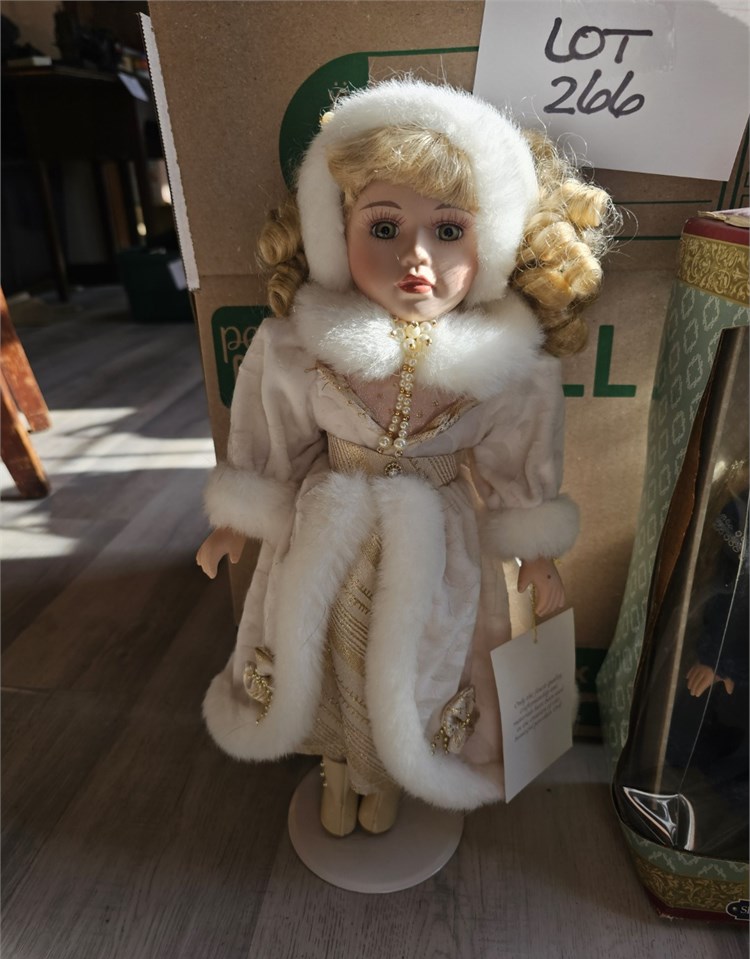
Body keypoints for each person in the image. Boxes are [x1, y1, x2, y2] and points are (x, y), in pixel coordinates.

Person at [196, 78, 617, 836]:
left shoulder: (506, 367)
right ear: (335, 232)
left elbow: (516, 460)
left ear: (493, 246)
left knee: (423, 656)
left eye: (450, 230)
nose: (416, 256)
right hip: (326, 525)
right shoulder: (301, 344)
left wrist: (535, 551)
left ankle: (389, 772)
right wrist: (239, 517)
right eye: (384, 227)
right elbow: (274, 433)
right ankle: (336, 765)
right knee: (318, 649)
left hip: (439, 541)